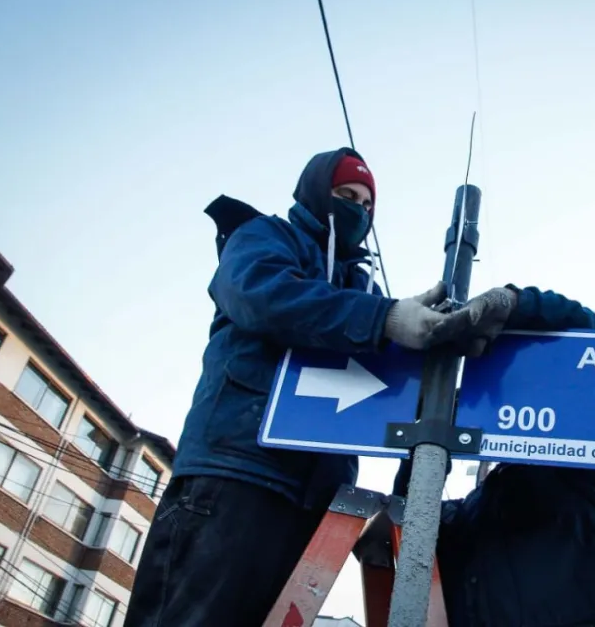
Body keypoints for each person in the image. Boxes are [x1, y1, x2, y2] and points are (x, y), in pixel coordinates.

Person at [125, 148, 473, 627]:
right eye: (345, 195)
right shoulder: (264, 238)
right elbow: (262, 295)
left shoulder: (361, 289)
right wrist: (386, 318)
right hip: (237, 471)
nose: (357, 209)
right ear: (315, 191)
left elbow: (383, 389)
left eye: (367, 204)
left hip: (318, 501)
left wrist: (431, 368)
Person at [393, 285, 595, 627]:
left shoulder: (586, 473)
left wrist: (516, 305)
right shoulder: (464, 520)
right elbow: (408, 521)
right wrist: (431, 434)